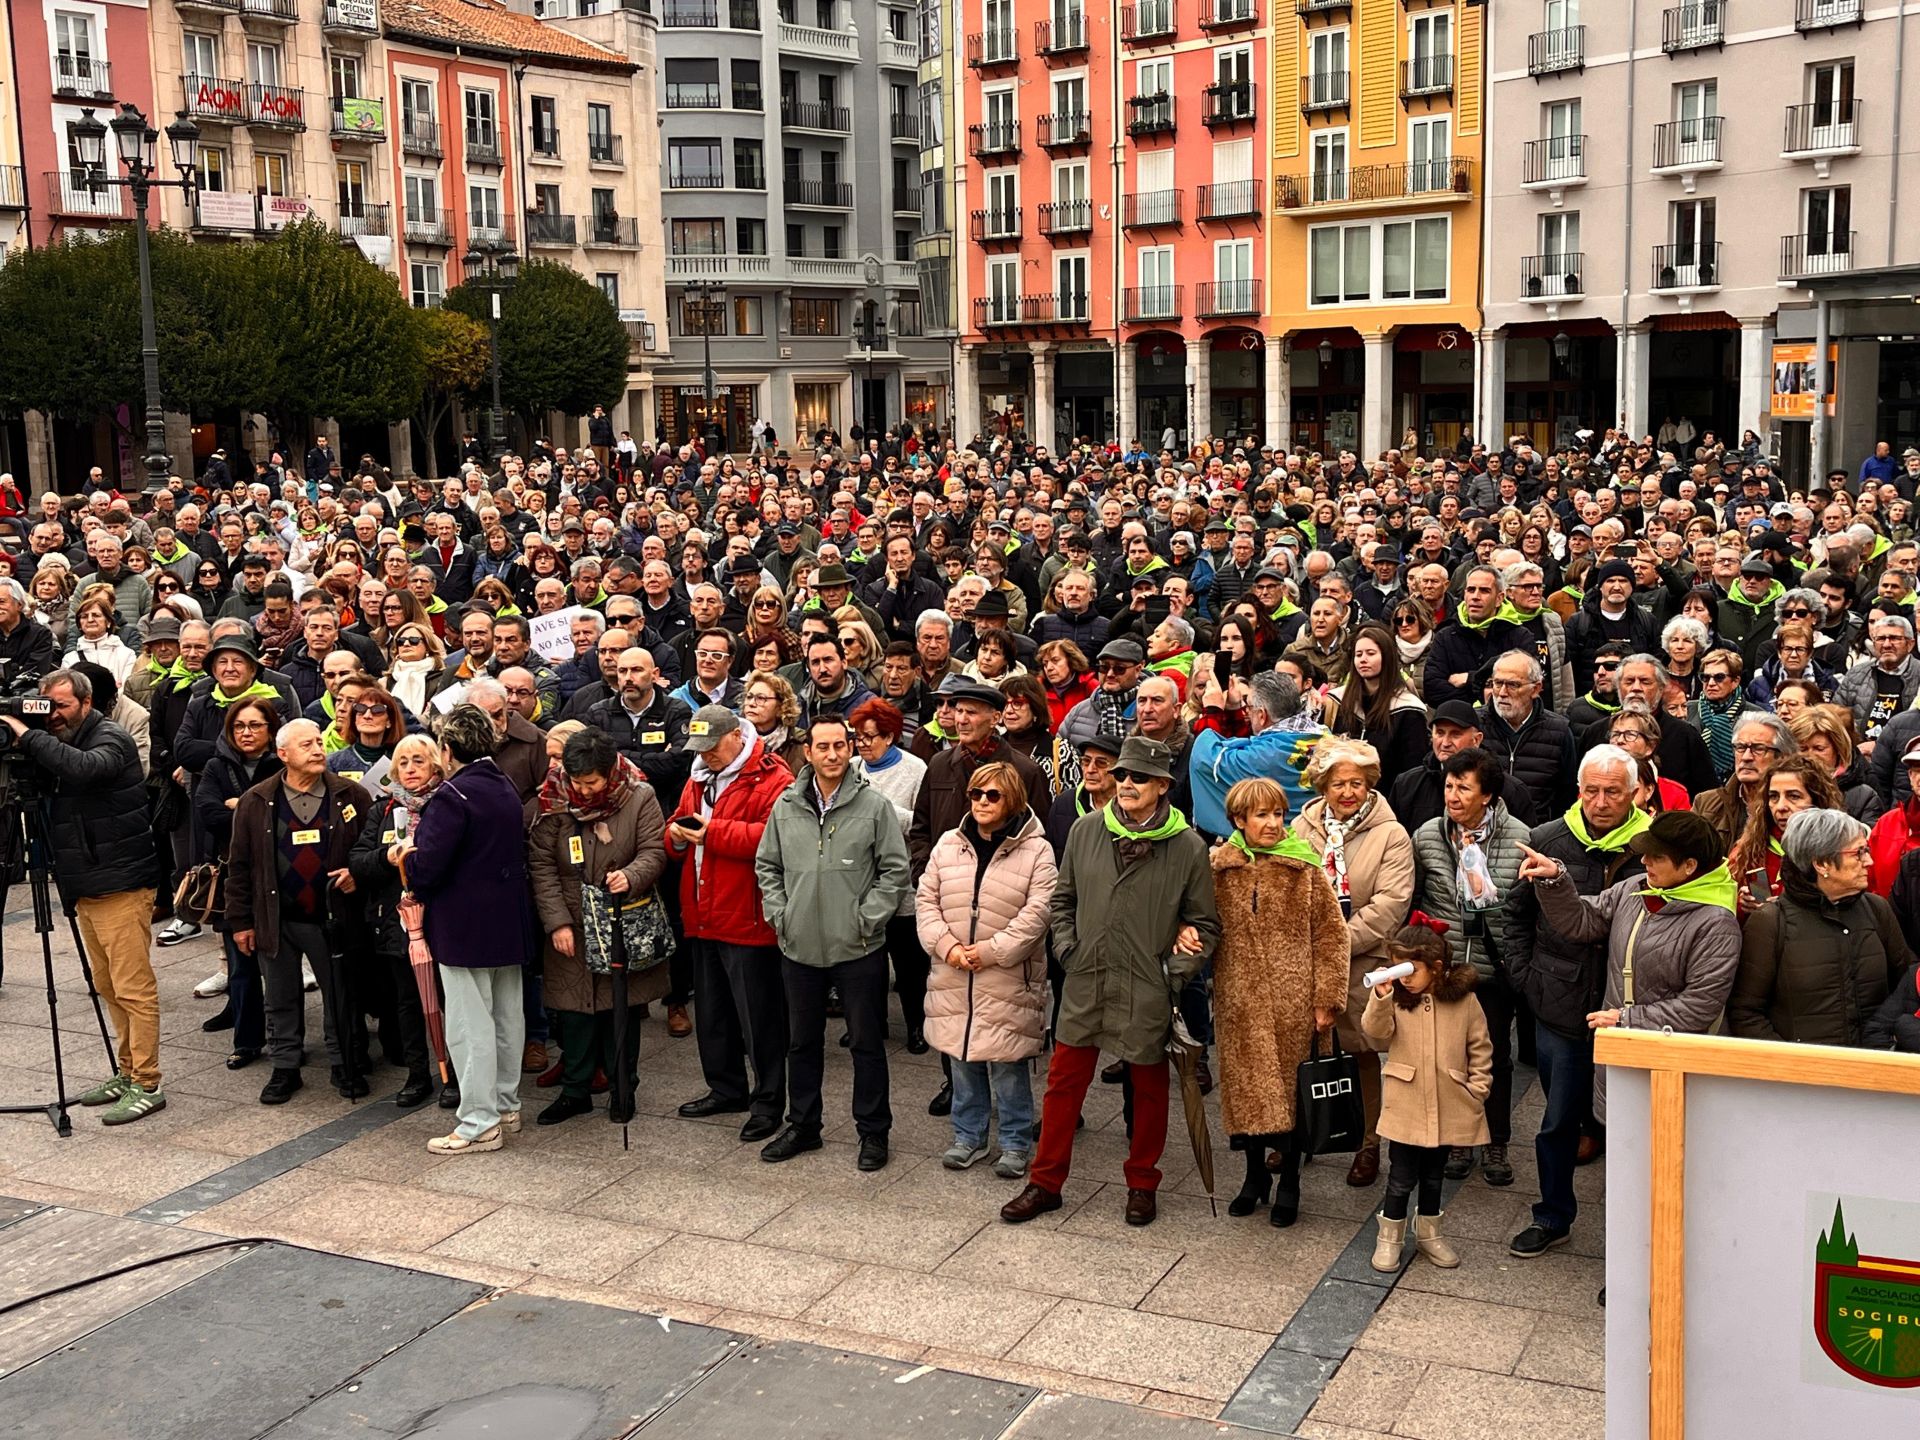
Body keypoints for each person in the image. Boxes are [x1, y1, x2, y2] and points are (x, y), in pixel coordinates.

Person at [1002, 735, 1220, 1229]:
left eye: (1137, 776)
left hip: (1146, 984)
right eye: (1122, 774)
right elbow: (1063, 901)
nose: (1125, 783)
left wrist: (1174, 970)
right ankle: (1045, 1182)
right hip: (1087, 977)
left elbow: (1205, 926)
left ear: (1163, 786)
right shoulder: (1084, 830)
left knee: (1148, 1087)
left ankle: (1143, 1183)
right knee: (1062, 1083)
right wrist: (1069, 951)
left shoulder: (1187, 847)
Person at [2, 669, 165, 1125]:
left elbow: (83, 769)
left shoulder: (110, 738)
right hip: (86, 882)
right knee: (108, 985)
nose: (53, 716)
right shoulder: (60, 736)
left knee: (133, 987)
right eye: (47, 706)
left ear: (87, 703)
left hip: (120, 881)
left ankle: (148, 1082)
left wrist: (24, 734)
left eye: (62, 707)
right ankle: (127, 1069)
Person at [1504, 745, 1646, 1257]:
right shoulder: (1546, 839)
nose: (1601, 802)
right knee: (1558, 1120)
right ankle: (1552, 1215)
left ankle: (1630, 1239)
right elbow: (1512, 915)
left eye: (1613, 791)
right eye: (1592, 790)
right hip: (1559, 1004)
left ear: (1635, 793)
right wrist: (1528, 978)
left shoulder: (1654, 846)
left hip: (1629, 1011)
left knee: (1631, 1130)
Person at [1515, 810, 1743, 1125]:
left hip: (1672, 1063)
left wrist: (1626, 1019)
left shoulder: (1717, 924)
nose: (1644, 860)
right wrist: (1555, 880)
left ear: (1689, 866)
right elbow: (1582, 921)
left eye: (1656, 856)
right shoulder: (1637, 887)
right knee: (1623, 1153)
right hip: (1621, 1052)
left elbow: (1699, 1007)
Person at [755, 713, 911, 1170]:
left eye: (840, 745)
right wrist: (781, 914)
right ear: (808, 752)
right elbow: (768, 866)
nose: (832, 754)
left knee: (866, 1043)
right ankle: (804, 1127)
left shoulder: (874, 806)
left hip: (857, 947)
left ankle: (874, 1132)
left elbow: (894, 871)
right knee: (802, 1043)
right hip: (799, 946)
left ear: (850, 748)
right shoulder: (786, 805)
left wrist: (868, 920)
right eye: (822, 746)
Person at [395, 703, 536, 1153]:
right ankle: (505, 1104)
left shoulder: (453, 797)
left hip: (464, 925)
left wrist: (406, 855)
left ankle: (479, 1121)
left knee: (468, 1024)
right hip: (507, 920)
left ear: (447, 748)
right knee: (506, 1017)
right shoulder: (503, 785)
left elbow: (428, 869)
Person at [1212, 776, 1349, 1226]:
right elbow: (1204, 925)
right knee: (1248, 1095)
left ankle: (1289, 1178)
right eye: (1261, 815)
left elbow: (1332, 934)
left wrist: (1327, 996)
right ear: (1239, 820)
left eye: (1277, 814)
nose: (1272, 824)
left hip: (1295, 1003)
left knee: (1293, 1096)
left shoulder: (1304, 868)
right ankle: (1254, 1177)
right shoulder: (1220, 870)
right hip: (1240, 1002)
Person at [916, 760, 1056, 1179]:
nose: (981, 802)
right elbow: (927, 901)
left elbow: (1039, 912)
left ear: (1011, 799)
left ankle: (1015, 1142)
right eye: (976, 793)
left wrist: (992, 951)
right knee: (961, 1057)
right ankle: (968, 1135)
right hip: (954, 970)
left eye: (991, 795)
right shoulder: (948, 844)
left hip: (1007, 974)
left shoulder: (1038, 850)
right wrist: (948, 947)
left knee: (1009, 1064)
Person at [224, 718, 372, 1104]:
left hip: (331, 919)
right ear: (283, 754)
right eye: (306, 744)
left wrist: (357, 875)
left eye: (320, 742)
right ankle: (285, 1068)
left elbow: (370, 851)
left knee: (339, 994)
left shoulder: (351, 795)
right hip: (278, 919)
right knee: (280, 997)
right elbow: (238, 866)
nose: (318, 750)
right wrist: (240, 922)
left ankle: (345, 1064)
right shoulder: (257, 801)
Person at [527, 726, 670, 1126]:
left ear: (610, 772)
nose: (584, 792)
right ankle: (575, 1091)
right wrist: (557, 922)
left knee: (618, 1009)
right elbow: (541, 865)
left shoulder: (639, 795)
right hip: (571, 915)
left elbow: (654, 850)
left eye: (591, 782)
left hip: (619, 916)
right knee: (573, 1010)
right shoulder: (554, 799)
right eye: (577, 782)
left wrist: (632, 875)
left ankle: (624, 1087)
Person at [1293, 737, 1416, 1188]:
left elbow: (1390, 904)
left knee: (1362, 1053)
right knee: (1305, 1051)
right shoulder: (1303, 827)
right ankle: (1301, 1135)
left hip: (1361, 959)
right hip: (1304, 958)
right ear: (1323, 786)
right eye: (1339, 783)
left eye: (1357, 783)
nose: (1348, 792)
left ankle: (1367, 1144)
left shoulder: (1391, 834)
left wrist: (1333, 941)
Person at [670, 705, 794, 1140]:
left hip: (747, 916)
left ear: (737, 737)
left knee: (759, 1019)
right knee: (714, 1013)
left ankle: (769, 1101)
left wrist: (713, 832)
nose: (706, 757)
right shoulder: (699, 776)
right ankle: (725, 1088)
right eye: (699, 750)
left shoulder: (774, 777)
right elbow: (680, 820)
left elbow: (777, 838)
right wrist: (676, 835)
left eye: (712, 748)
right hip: (703, 913)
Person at [1409, 747, 1529, 1187]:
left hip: (1494, 969)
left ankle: (1497, 1141)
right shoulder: (1427, 836)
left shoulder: (1519, 836)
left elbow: (1525, 910)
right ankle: (1461, 1138)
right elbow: (1416, 901)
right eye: (1448, 785)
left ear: (1489, 796)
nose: (1453, 795)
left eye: (1464, 787)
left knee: (1493, 1055)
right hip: (1447, 969)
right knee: (1450, 1056)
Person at [1363, 915, 1492, 1274]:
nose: (1404, 977)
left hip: (1450, 1100)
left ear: (1436, 968)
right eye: (1398, 968)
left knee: (1435, 1175)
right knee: (1401, 1175)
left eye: (1411, 970)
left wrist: (1478, 1089)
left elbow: (1480, 1047)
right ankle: (1389, 1237)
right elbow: (1375, 1033)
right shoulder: (1398, 1000)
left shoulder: (1464, 1002)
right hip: (1406, 1102)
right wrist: (1380, 999)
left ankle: (1429, 1233)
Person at [1729, 808, 1906, 1047]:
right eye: (1859, 853)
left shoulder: (1877, 910)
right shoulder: (1770, 922)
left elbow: (1905, 987)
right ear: (1822, 864)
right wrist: (1794, 1066)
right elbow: (1745, 1013)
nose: (1869, 861)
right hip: (1803, 1077)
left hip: (1875, 1069)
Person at [343, 731, 441, 1110]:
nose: (411, 769)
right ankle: (418, 1074)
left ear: (435, 764)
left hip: (440, 918)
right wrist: (388, 857)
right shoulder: (383, 810)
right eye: (403, 762)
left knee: (447, 1000)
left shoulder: (445, 804)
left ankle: (455, 1075)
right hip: (398, 922)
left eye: (419, 761)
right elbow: (359, 861)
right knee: (407, 1001)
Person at [192, 698, 283, 1072]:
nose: (246, 733)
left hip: (281, 872)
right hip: (236, 876)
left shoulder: (281, 763)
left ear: (270, 730)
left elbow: (286, 817)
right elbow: (208, 813)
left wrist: (239, 806)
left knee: (281, 965)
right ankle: (246, 1041)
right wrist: (251, 811)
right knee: (240, 967)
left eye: (255, 725)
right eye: (240, 726)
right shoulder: (216, 766)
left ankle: (285, 1037)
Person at [850, 697, 930, 1051]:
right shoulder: (851, 768)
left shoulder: (916, 770)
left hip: (901, 884)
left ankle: (917, 1026)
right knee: (866, 965)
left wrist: (882, 809)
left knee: (909, 965)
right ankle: (871, 1024)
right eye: (859, 737)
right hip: (859, 883)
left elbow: (923, 823)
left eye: (871, 737)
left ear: (891, 736)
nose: (863, 744)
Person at [1189, 670, 1326, 837]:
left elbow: (1207, 758)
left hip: (1275, 845)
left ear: (1261, 715)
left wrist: (1212, 711)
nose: (1247, 712)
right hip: (1319, 839)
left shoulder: (1263, 755)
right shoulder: (1327, 739)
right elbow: (1252, 741)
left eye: (1249, 707)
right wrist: (1234, 710)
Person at [1325, 622, 1429, 782]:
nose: (1363, 660)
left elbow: (1412, 771)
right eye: (1358, 655)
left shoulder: (1408, 710)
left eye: (1371, 653)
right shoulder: (1337, 701)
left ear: (1387, 657)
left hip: (1387, 800)